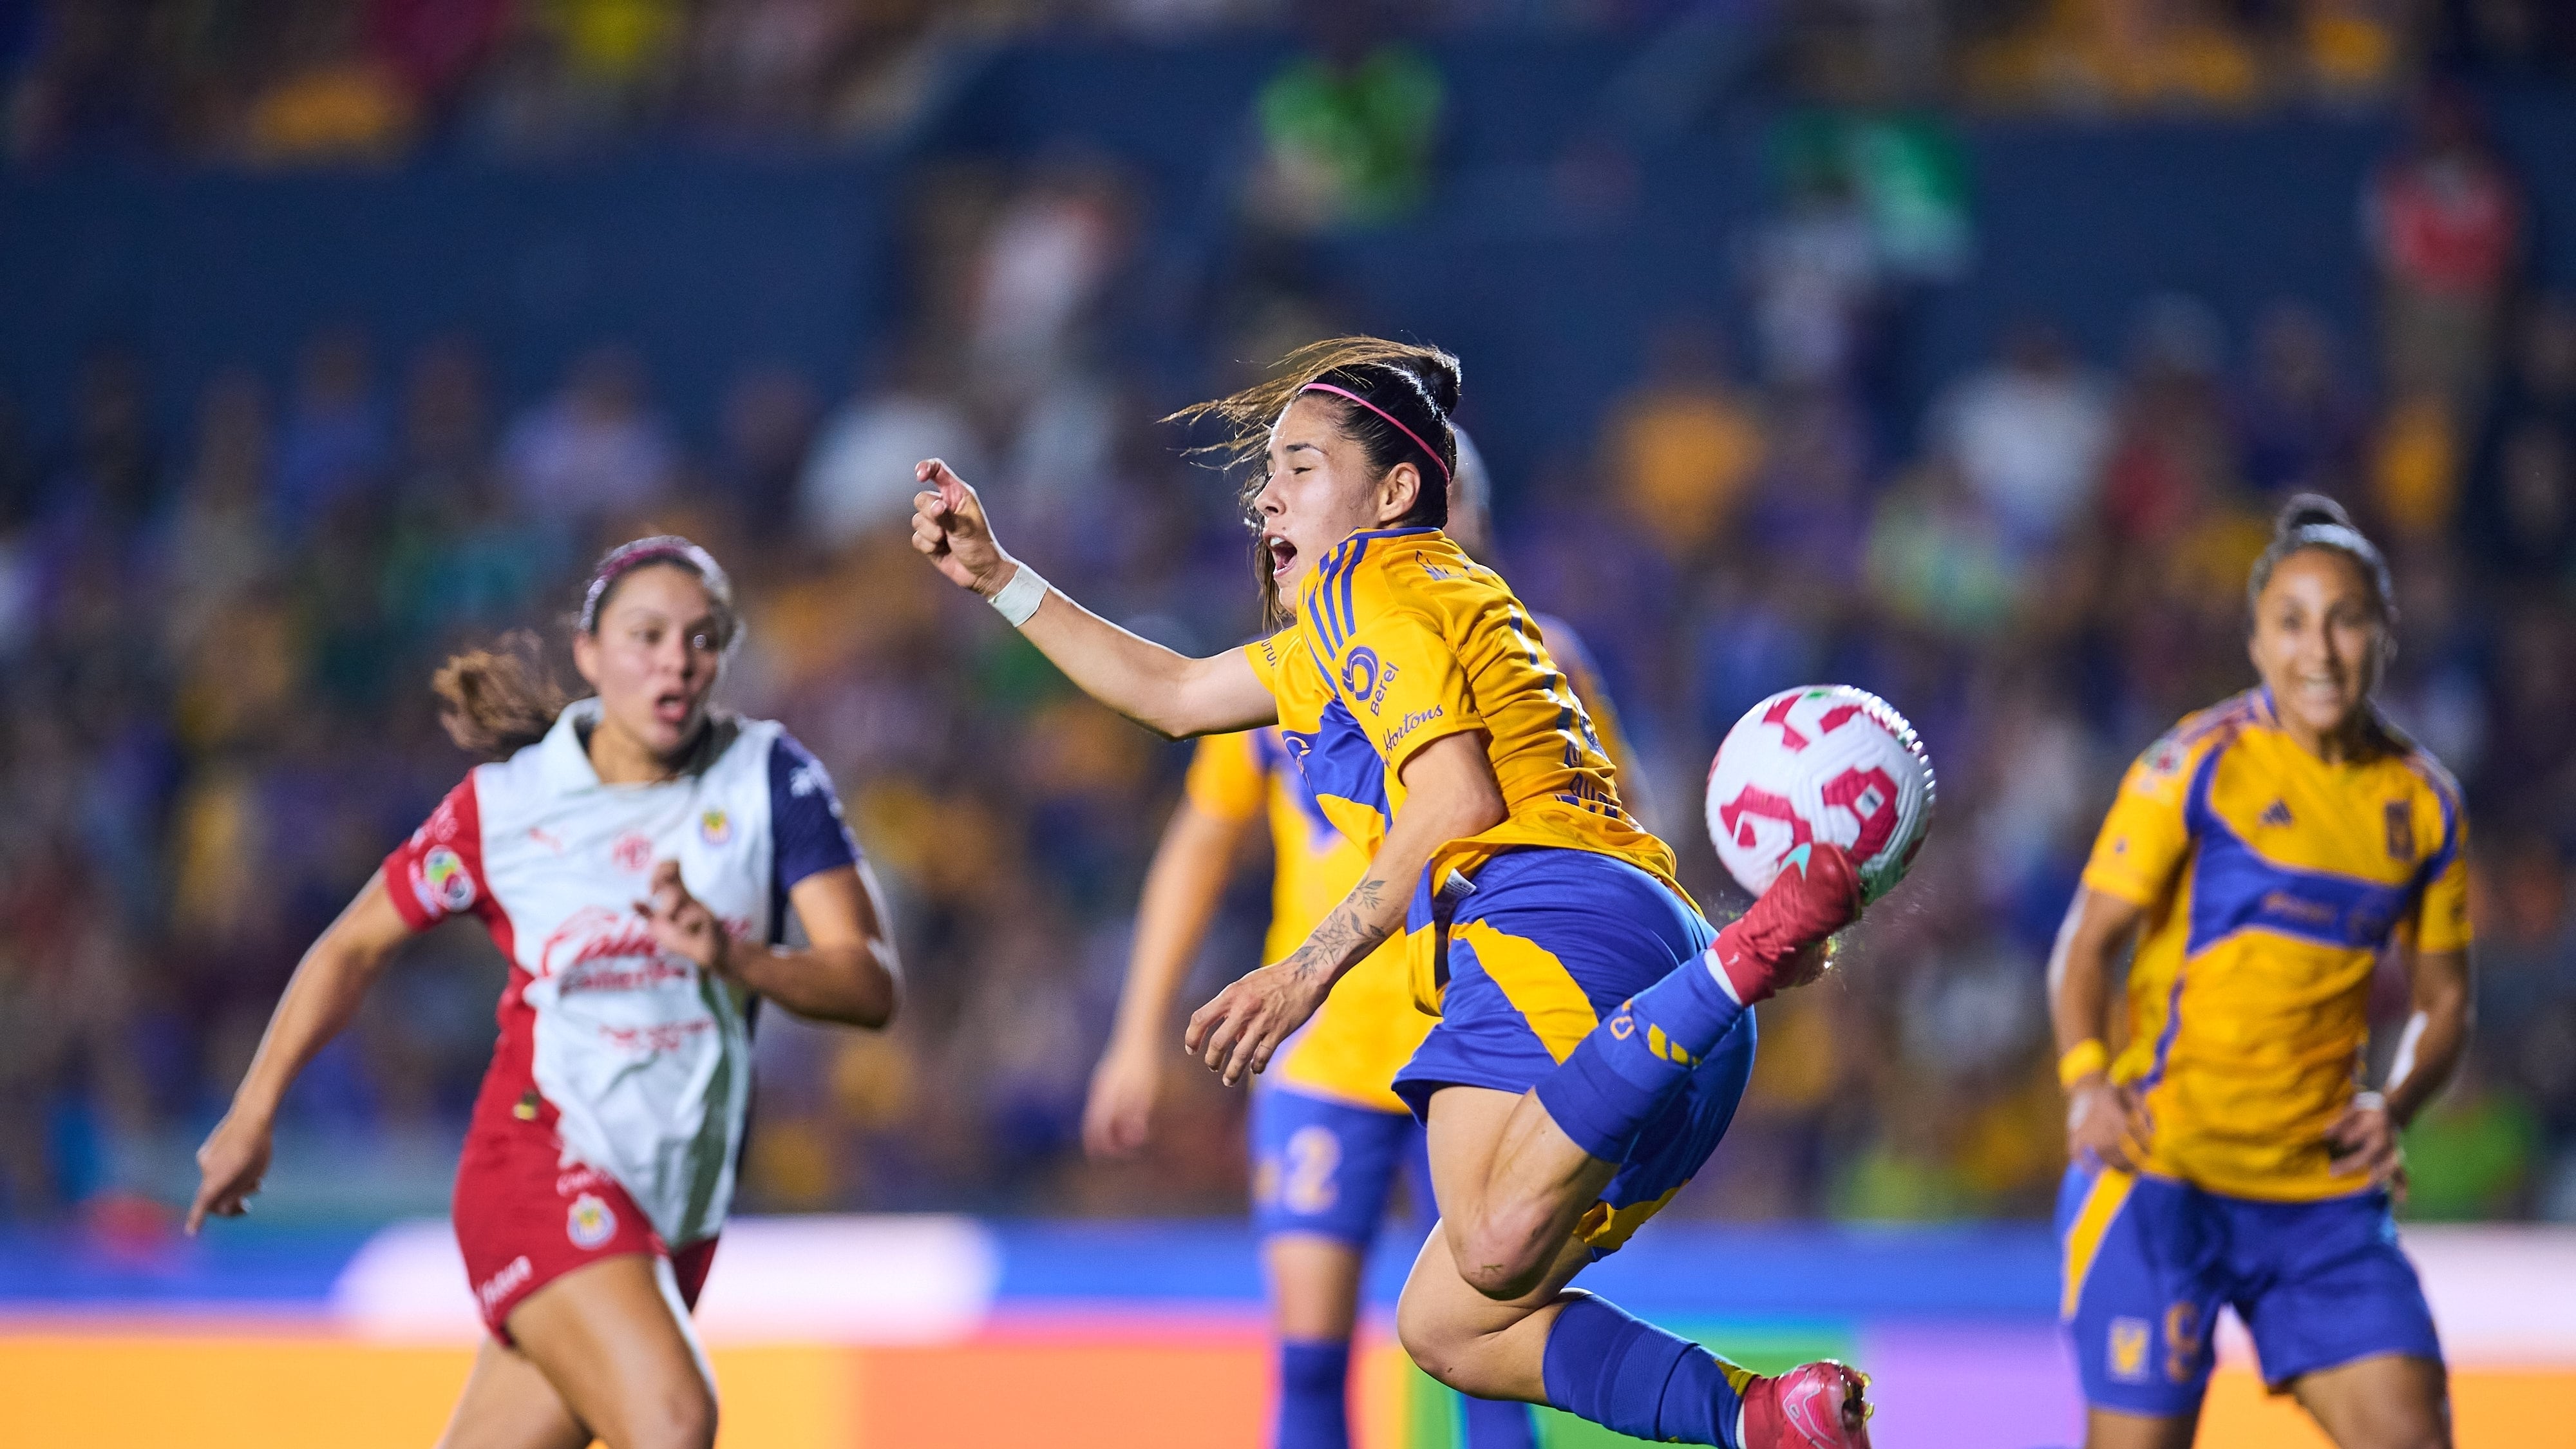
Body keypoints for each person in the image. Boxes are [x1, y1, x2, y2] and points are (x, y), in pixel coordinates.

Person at [913, 337, 1874, 1448]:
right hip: (1638, 979)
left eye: (1300, 466)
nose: (1265, 497)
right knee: (1450, 1325)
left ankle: (1742, 962)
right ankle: (1762, 1416)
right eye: (1267, 473)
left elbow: (1457, 797)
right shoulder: (1417, 608)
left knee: (1489, 1246)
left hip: (1544, 936)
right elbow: (1171, 692)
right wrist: (998, 575)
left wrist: (1303, 969)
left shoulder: (1363, 585)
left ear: (1396, 490)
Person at [189, 537, 901, 1449]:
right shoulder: (508, 805)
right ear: (589, 652)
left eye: (702, 638)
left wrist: (737, 958)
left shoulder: (770, 778)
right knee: (674, 1420)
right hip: (538, 1164)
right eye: (648, 635)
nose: (677, 660)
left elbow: (869, 985)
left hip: (676, 1205)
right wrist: (253, 1112)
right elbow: (353, 945)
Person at [1083, 435, 1631, 1449]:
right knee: (1308, 1360)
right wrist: (1134, 1035)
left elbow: (1616, 843)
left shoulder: (1536, 661)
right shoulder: (1292, 667)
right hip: (1328, 1053)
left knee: (1488, 1355)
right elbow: (1198, 846)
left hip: (1484, 1046)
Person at [2049, 494, 2472, 1449]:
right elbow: (2086, 943)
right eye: (2292, 622)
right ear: (2256, 643)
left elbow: (2446, 1001)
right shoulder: (2195, 766)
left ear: (2385, 633)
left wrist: (2395, 1104)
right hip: (2164, 1177)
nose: (2319, 650)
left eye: (2345, 620)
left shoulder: (2424, 805)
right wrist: (2086, 1084)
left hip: (2319, 1204)